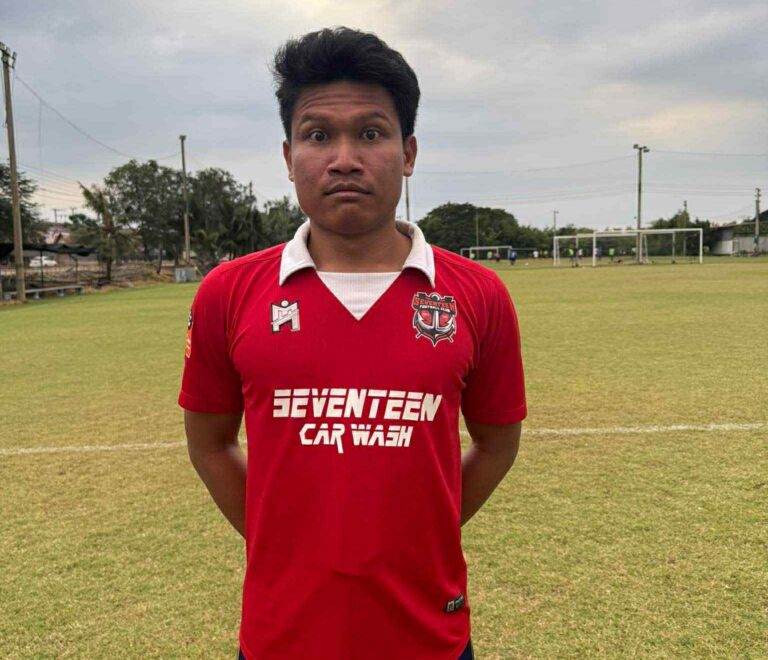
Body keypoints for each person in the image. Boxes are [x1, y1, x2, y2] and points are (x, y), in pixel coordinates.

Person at [179, 26, 526, 660]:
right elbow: (209, 443)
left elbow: (498, 444)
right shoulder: (228, 293)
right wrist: (282, 540)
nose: (344, 158)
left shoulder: (478, 295)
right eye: (318, 136)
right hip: (281, 637)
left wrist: (420, 532)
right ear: (288, 157)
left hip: (429, 637)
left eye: (371, 133)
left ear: (408, 152)